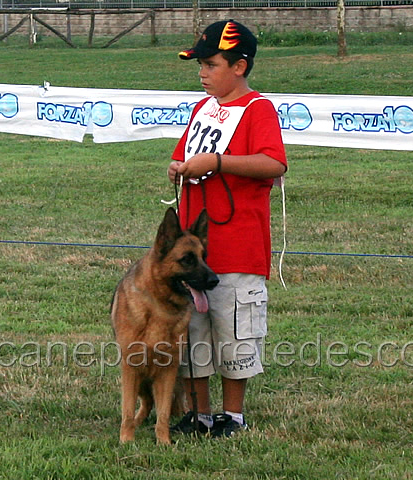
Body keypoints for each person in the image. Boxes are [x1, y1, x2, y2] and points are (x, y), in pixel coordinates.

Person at [168, 19, 287, 438]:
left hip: (238, 246)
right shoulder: (204, 109)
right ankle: (200, 413)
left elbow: (274, 164)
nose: (202, 72)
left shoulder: (258, 109)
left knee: (235, 330)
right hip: (194, 249)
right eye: (199, 65)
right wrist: (178, 168)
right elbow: (184, 154)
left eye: (211, 64)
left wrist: (217, 162)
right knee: (192, 332)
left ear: (239, 66)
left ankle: (232, 416)